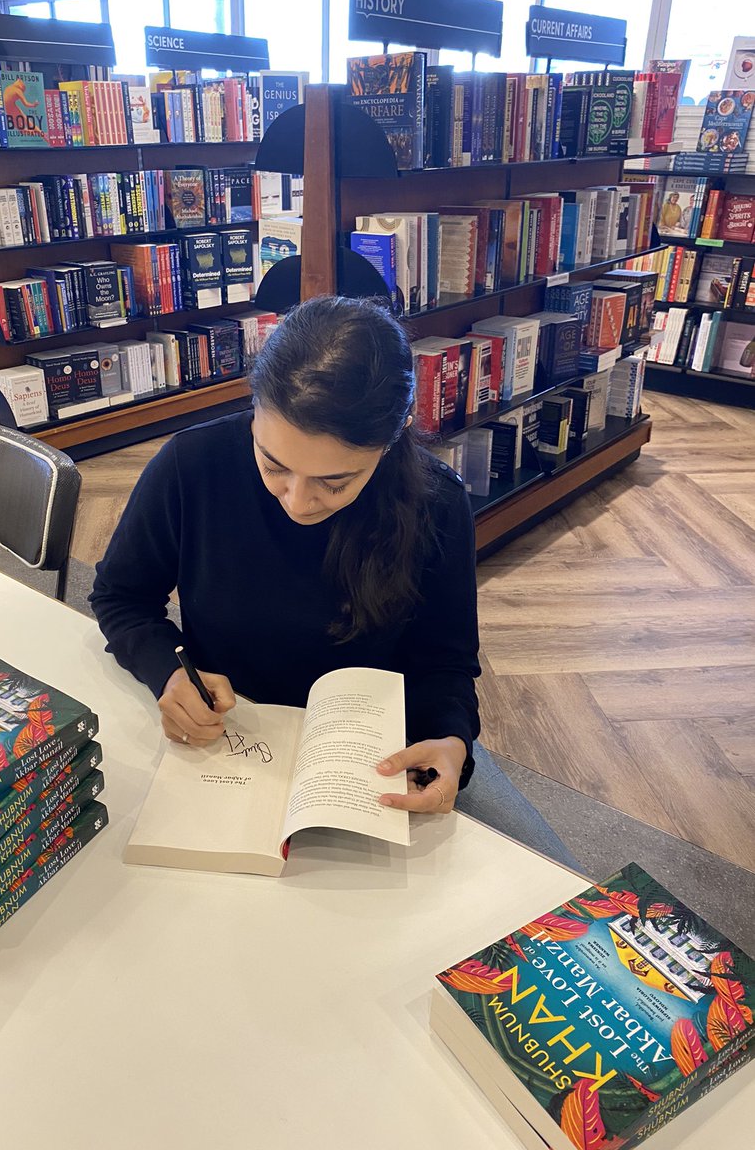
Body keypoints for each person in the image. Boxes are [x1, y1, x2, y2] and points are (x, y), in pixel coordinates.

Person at [91, 296, 579, 864]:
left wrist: (450, 739)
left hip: (377, 747)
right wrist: (168, 673)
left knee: (546, 878)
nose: (297, 501)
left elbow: (445, 662)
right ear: (254, 413)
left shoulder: (435, 504)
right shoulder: (190, 465)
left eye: (336, 482)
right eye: (273, 465)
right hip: (228, 730)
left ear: (388, 444)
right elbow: (121, 596)